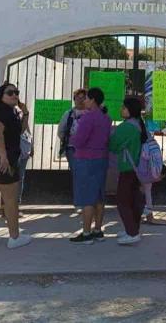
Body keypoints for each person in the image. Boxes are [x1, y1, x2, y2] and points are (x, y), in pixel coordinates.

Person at [0, 83, 32, 249]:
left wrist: (25, 114)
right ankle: (14, 237)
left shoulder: (11, 112)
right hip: (3, 161)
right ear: (1, 95)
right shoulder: (1, 111)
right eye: (10, 92)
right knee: (10, 201)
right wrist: (3, 157)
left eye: (16, 92)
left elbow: (20, 131)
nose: (14, 95)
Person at [69, 87, 112, 244]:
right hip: (101, 158)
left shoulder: (87, 118)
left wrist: (73, 137)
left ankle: (86, 233)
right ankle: (98, 230)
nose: (84, 101)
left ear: (93, 100)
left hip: (86, 159)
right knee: (99, 196)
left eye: (86, 98)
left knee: (87, 197)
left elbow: (79, 140)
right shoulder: (106, 118)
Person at [109, 97, 147, 245]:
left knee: (123, 201)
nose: (121, 109)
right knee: (133, 201)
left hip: (128, 168)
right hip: (137, 169)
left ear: (130, 110)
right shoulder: (138, 124)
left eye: (123, 107)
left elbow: (113, 145)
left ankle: (132, 233)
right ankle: (132, 229)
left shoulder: (126, 127)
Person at [57, 88, 87, 172]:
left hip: (86, 148)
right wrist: (67, 140)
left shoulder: (90, 114)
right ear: (74, 100)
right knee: (75, 171)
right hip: (71, 148)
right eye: (78, 98)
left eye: (83, 98)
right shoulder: (68, 114)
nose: (81, 101)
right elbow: (60, 131)